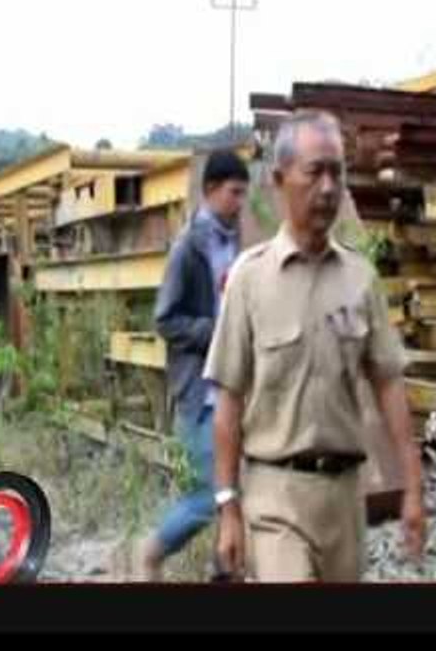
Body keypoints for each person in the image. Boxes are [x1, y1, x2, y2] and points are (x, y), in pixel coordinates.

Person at [204, 111, 427, 582]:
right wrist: (228, 507)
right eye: (314, 172)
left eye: (337, 173)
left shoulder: (360, 280)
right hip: (274, 495)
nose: (328, 188)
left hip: (346, 499)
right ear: (281, 180)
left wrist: (412, 487)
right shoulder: (249, 279)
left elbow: (389, 386)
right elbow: (228, 401)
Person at [137, 149, 250, 580]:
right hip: (199, 393)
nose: (240, 203)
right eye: (234, 193)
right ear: (209, 191)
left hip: (232, 387)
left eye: (244, 194)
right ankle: (151, 551)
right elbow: (165, 319)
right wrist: (218, 330)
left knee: (240, 491)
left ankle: (226, 573)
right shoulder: (187, 248)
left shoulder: (236, 241)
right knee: (211, 494)